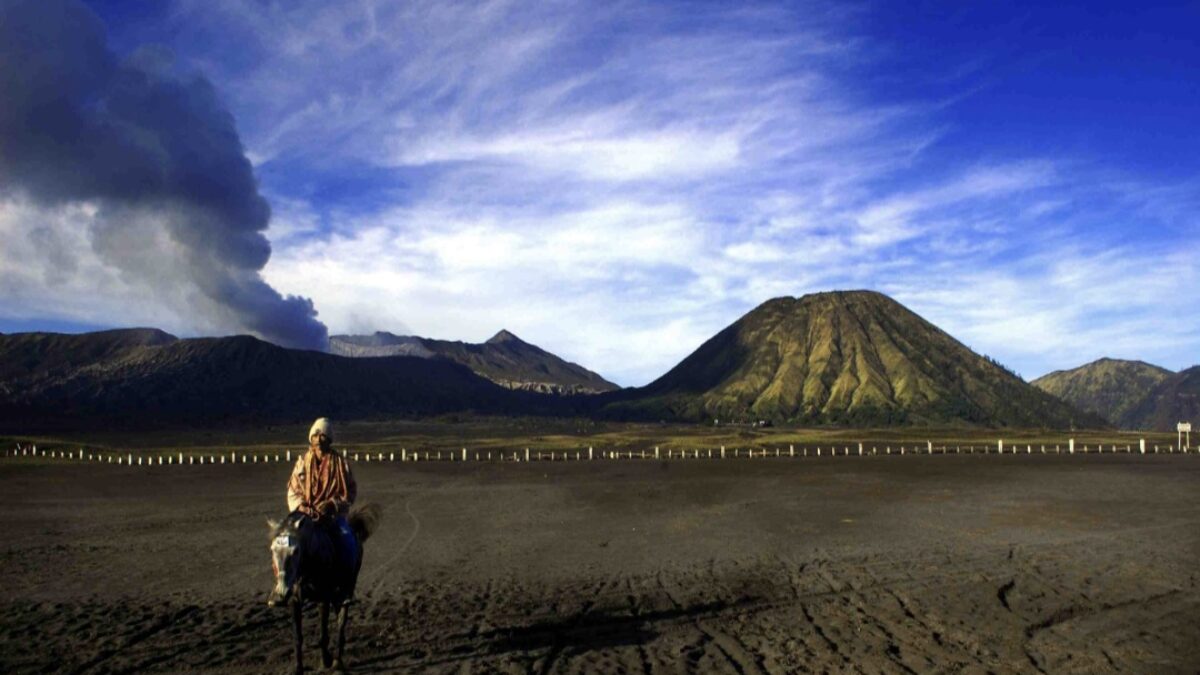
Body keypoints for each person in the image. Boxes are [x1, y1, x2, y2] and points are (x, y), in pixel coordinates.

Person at [287, 418, 359, 578]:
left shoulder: (341, 464)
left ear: (329, 440)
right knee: (285, 542)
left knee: (347, 540)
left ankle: (345, 586)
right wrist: (302, 507)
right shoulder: (302, 463)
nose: (318, 440)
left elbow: (351, 491)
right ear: (310, 439)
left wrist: (333, 504)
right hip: (306, 515)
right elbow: (293, 490)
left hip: (332, 517)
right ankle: (283, 585)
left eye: (323, 436)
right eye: (315, 436)